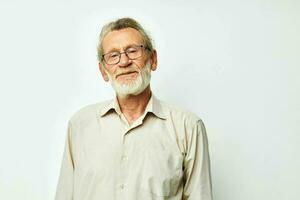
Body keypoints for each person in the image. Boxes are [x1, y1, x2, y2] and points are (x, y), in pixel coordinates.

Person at [55, 17, 213, 200]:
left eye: (132, 51)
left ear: (153, 59)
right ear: (103, 71)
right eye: (113, 55)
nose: (124, 62)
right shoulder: (80, 125)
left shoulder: (188, 127)